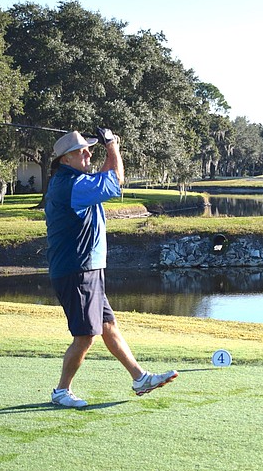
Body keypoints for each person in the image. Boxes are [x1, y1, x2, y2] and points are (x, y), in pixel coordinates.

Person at [45, 128, 178, 407]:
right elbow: (115, 181)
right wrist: (113, 145)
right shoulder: (72, 185)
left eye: (89, 149)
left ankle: (140, 378)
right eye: (81, 151)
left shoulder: (76, 181)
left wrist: (108, 151)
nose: (87, 153)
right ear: (64, 160)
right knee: (85, 337)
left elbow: (104, 177)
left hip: (86, 269)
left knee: (108, 326)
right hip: (77, 270)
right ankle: (61, 391)